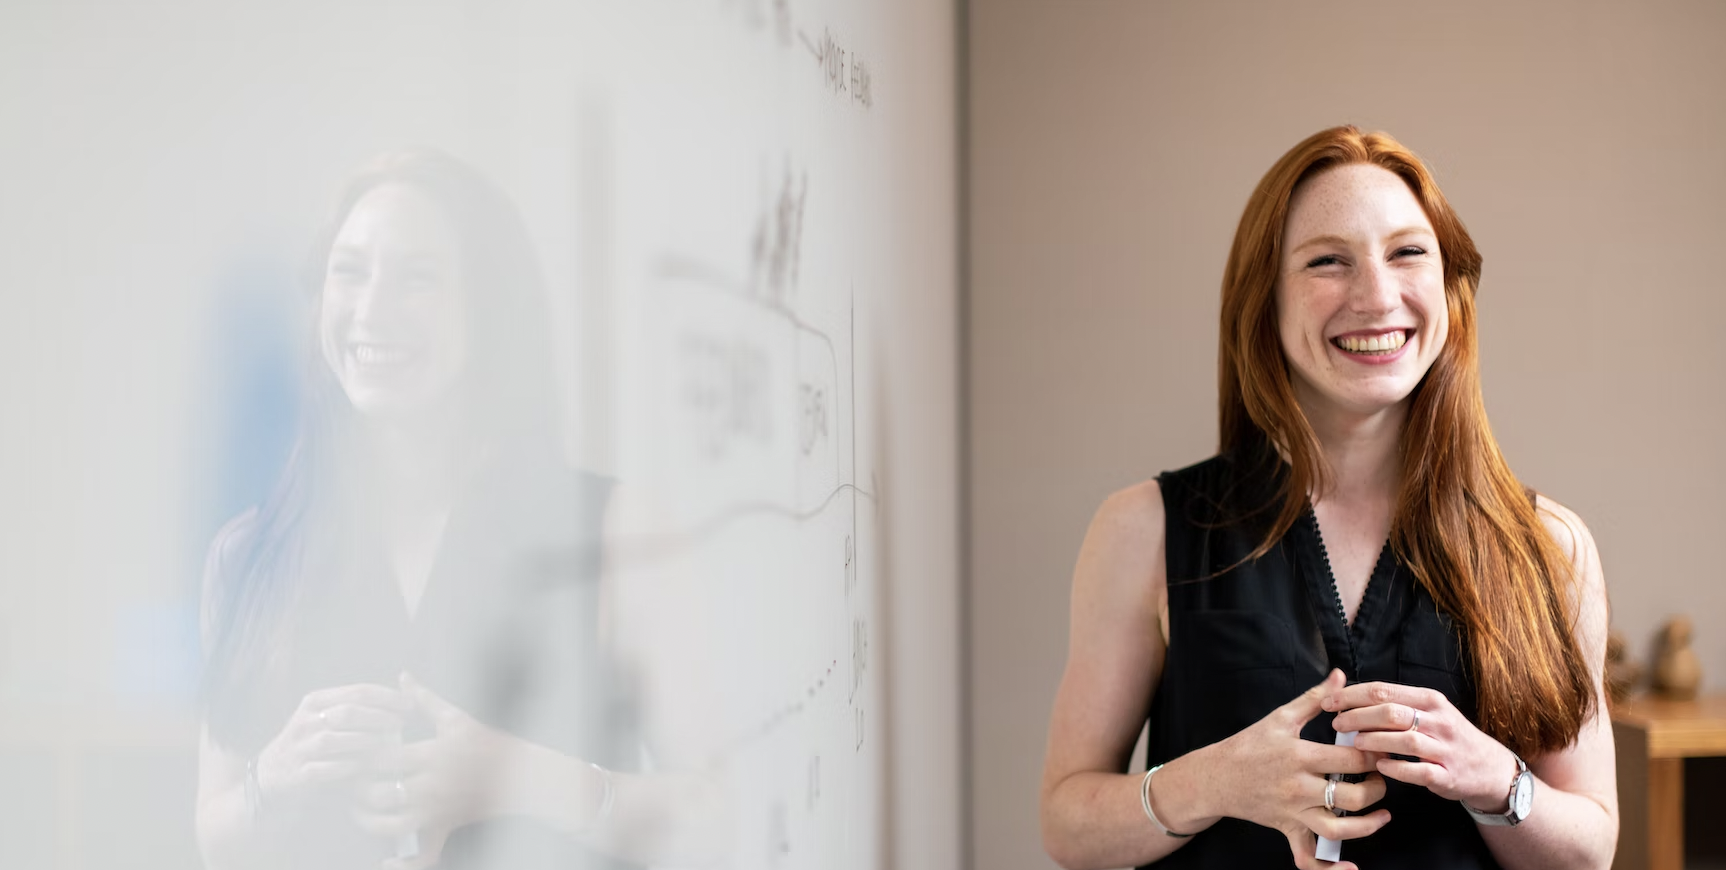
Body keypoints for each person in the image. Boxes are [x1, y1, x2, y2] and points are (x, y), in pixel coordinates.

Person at [1039, 127, 1616, 870]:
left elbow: (1591, 850)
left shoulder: (1551, 548)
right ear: (1265, 304)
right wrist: (1212, 781)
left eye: (1408, 253)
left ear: (1449, 287)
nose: (1377, 297)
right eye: (1327, 262)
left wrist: (1497, 781)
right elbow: (1066, 825)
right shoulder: (1143, 532)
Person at [194, 150, 717, 870]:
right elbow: (214, 837)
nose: (373, 310)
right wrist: (273, 777)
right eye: (349, 272)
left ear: (492, 310)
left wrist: (524, 779)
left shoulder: (621, 533)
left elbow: (720, 815)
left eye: (419, 278)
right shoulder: (248, 555)